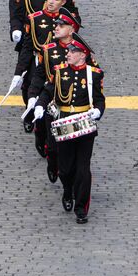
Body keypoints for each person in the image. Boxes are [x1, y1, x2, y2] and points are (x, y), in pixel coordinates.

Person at [29, 39, 104, 222]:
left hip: (85, 125)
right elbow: (48, 91)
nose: (68, 54)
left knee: (83, 169)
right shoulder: (59, 71)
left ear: (82, 55)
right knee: (65, 168)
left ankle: (81, 208)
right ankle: (68, 190)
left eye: (72, 51)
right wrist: (40, 105)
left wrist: (98, 111)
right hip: (63, 125)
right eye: (68, 51)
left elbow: (100, 99)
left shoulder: (93, 74)